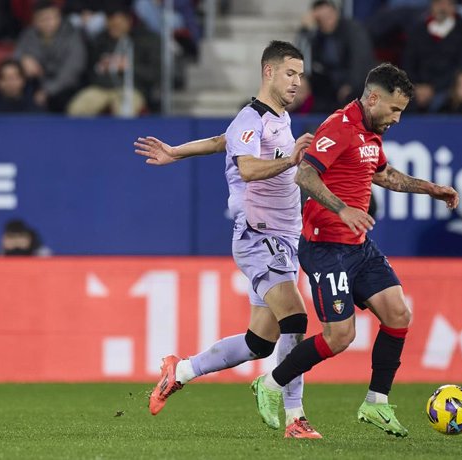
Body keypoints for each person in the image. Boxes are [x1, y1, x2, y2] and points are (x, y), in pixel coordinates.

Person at [250, 63, 459, 437]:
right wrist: (342, 208)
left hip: (357, 246)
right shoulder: (339, 126)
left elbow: (384, 174)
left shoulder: (370, 132)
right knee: (340, 336)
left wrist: (431, 188)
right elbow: (305, 174)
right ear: (373, 98)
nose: (396, 118)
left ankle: (376, 403)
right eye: (394, 110)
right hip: (325, 246)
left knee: (398, 314)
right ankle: (269, 383)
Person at [137, 41, 323, 439]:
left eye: (301, 75)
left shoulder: (275, 118)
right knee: (296, 318)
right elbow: (249, 167)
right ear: (268, 72)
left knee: (260, 341)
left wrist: (176, 152)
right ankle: (295, 417)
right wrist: (290, 161)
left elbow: (222, 141)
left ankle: (180, 370)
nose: (297, 82)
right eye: (290, 73)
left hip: (284, 238)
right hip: (259, 234)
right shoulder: (250, 118)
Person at [67, 4, 160, 117]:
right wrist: (100, 67)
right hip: (101, 88)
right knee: (77, 108)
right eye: (111, 25)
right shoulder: (99, 41)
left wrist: (128, 67)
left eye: (119, 24)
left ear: (128, 21)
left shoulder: (145, 41)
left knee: (125, 111)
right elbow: (88, 71)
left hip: (131, 89)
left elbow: (154, 74)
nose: (115, 28)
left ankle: (124, 135)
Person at [296, 0, 375, 112]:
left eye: (329, 16)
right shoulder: (316, 37)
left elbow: (360, 61)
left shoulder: (352, 30)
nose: (327, 21)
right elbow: (301, 59)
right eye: (321, 19)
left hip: (355, 85)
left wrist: (350, 85)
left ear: (336, 13)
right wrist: (304, 32)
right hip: (330, 87)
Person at [402, 0, 462, 113]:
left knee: (441, 104)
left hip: (448, 87)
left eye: (447, 3)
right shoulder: (418, 30)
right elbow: (408, 62)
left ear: (454, 7)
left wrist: (433, 88)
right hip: (418, 88)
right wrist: (416, 86)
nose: (442, 8)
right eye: (438, 3)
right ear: (431, 6)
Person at [13, 0, 87, 112]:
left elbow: (72, 70)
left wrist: (47, 90)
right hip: (36, 84)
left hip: (64, 87)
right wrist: (23, 60)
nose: (48, 22)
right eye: (43, 19)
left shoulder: (72, 34)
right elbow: (16, 55)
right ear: (35, 21)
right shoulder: (28, 35)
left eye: (52, 18)